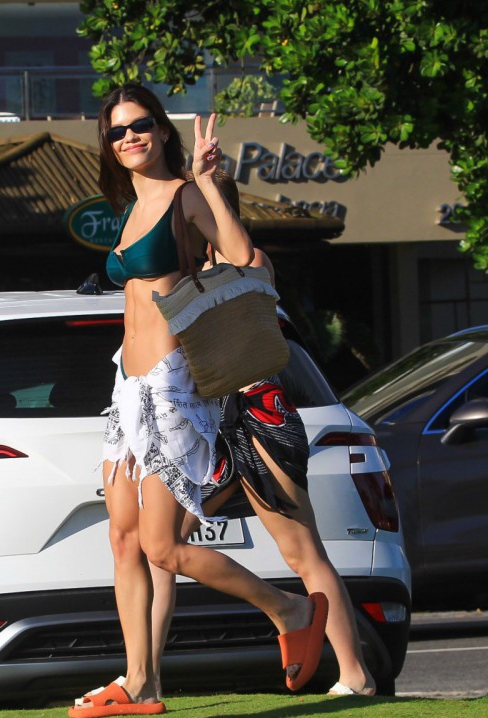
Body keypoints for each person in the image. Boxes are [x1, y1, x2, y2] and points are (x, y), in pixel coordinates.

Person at [70, 84, 328, 718]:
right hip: (125, 388)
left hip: (170, 388)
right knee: (124, 544)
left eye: (139, 125)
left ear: (161, 130)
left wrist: (208, 181)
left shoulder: (184, 195)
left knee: (164, 549)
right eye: (117, 131)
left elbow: (243, 257)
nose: (128, 137)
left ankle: (290, 609)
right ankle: (139, 686)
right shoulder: (127, 207)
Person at [146, 172, 377, 698]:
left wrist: (206, 184)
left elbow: (245, 259)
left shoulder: (247, 265)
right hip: (206, 427)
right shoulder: (183, 272)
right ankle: (146, 677)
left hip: (259, 415)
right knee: (159, 547)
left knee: (302, 550)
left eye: (197, 208)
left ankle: (354, 674)